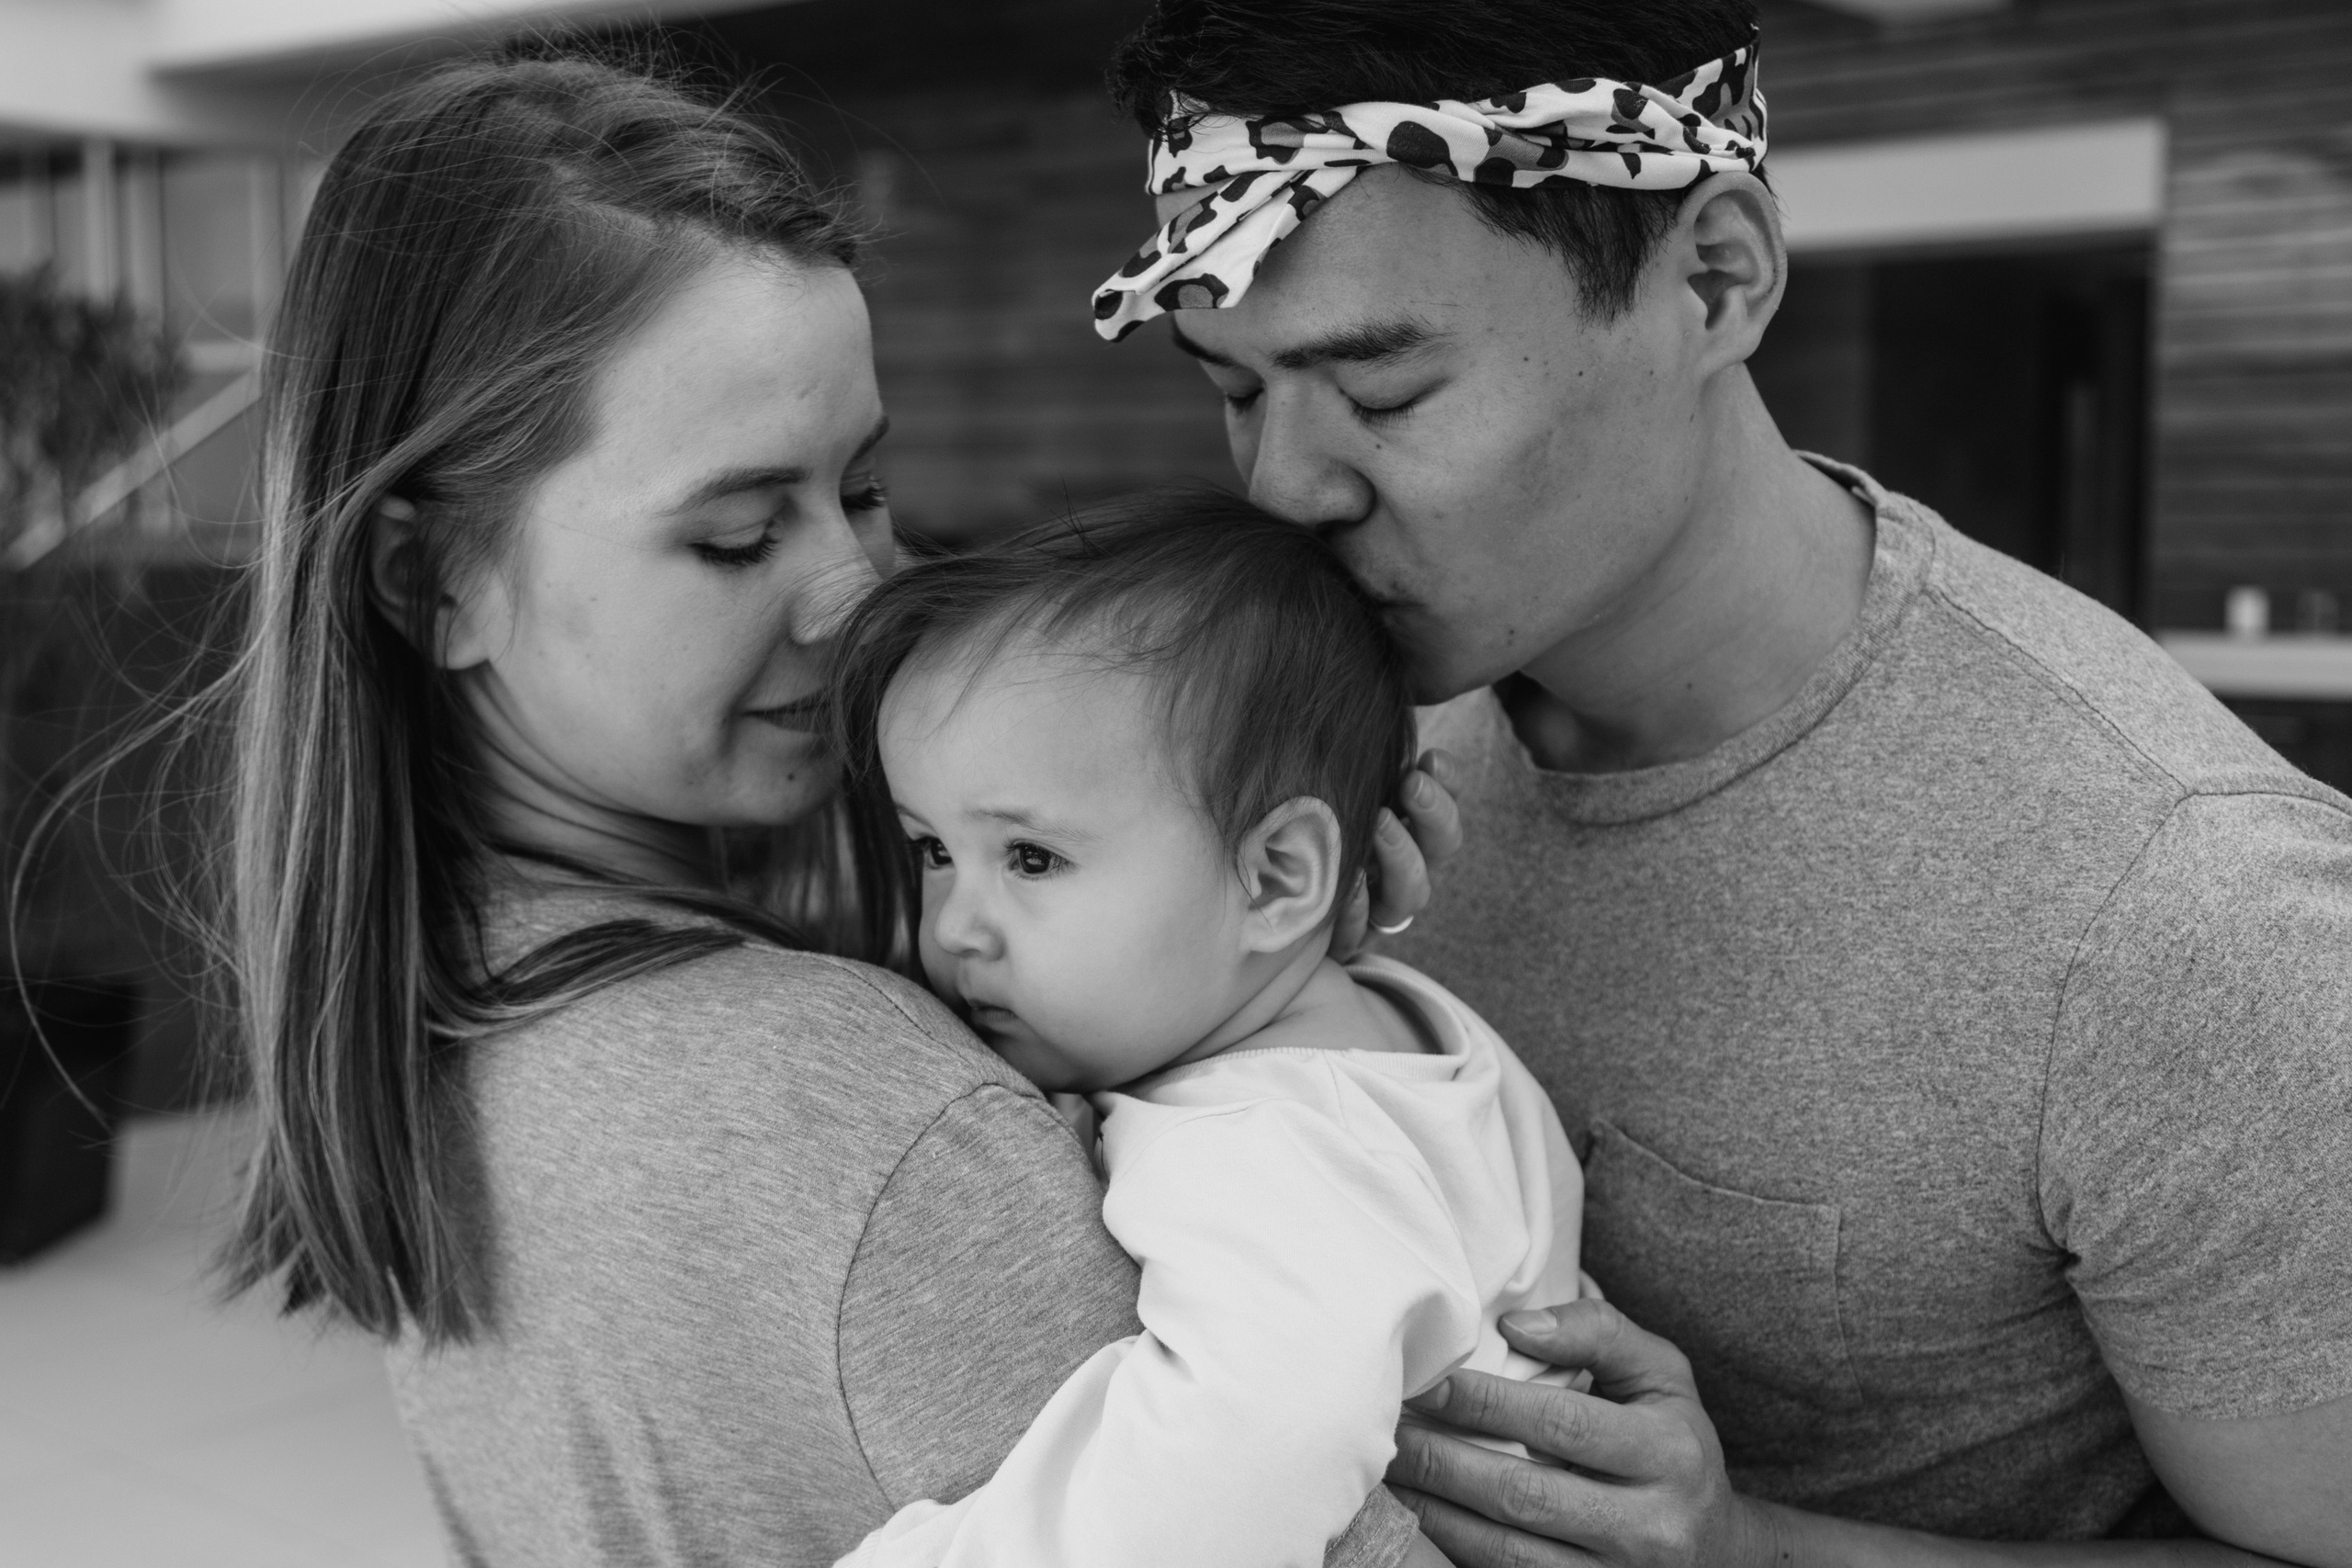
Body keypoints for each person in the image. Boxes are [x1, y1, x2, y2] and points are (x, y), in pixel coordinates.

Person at [1092, 0, 2352, 1563]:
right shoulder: (1327, 743)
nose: (1285, 485)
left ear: (1716, 277)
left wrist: (1752, 1549)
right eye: (1231, 388)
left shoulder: (2185, 911)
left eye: (1384, 390)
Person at [210, 56, 1452, 1568]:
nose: (856, 593)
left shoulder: (429, 1016)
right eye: (736, 537)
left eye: (863, 488)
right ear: (430, 580)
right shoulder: (867, 1117)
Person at [829, 497, 1585, 1567]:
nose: (954, 926)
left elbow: (1241, 1456)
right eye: (931, 850)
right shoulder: (1422, 1037)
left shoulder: (1261, 1141)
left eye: (1031, 859)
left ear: (1276, 877)